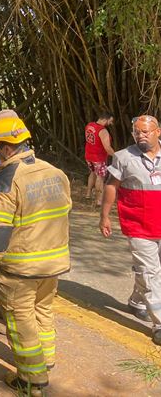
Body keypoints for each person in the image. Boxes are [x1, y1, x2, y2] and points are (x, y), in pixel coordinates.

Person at [0, 117, 71, 395]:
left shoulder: (5, 181)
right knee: (43, 311)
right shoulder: (55, 172)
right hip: (53, 265)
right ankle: (46, 359)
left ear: (4, 148)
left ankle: (32, 379)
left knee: (20, 321)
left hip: (20, 269)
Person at [100, 115, 161, 337]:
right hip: (139, 227)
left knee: (152, 273)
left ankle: (137, 301)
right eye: (137, 132)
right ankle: (160, 324)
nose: (140, 135)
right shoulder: (123, 157)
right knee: (149, 273)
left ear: (158, 132)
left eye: (145, 131)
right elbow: (111, 186)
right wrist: (104, 216)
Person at [85, 112, 115, 205]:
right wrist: (116, 155)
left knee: (92, 173)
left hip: (88, 155)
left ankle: (88, 194)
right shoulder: (103, 131)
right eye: (110, 121)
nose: (110, 124)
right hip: (98, 158)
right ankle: (99, 200)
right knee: (100, 177)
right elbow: (107, 148)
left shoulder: (89, 125)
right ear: (105, 119)